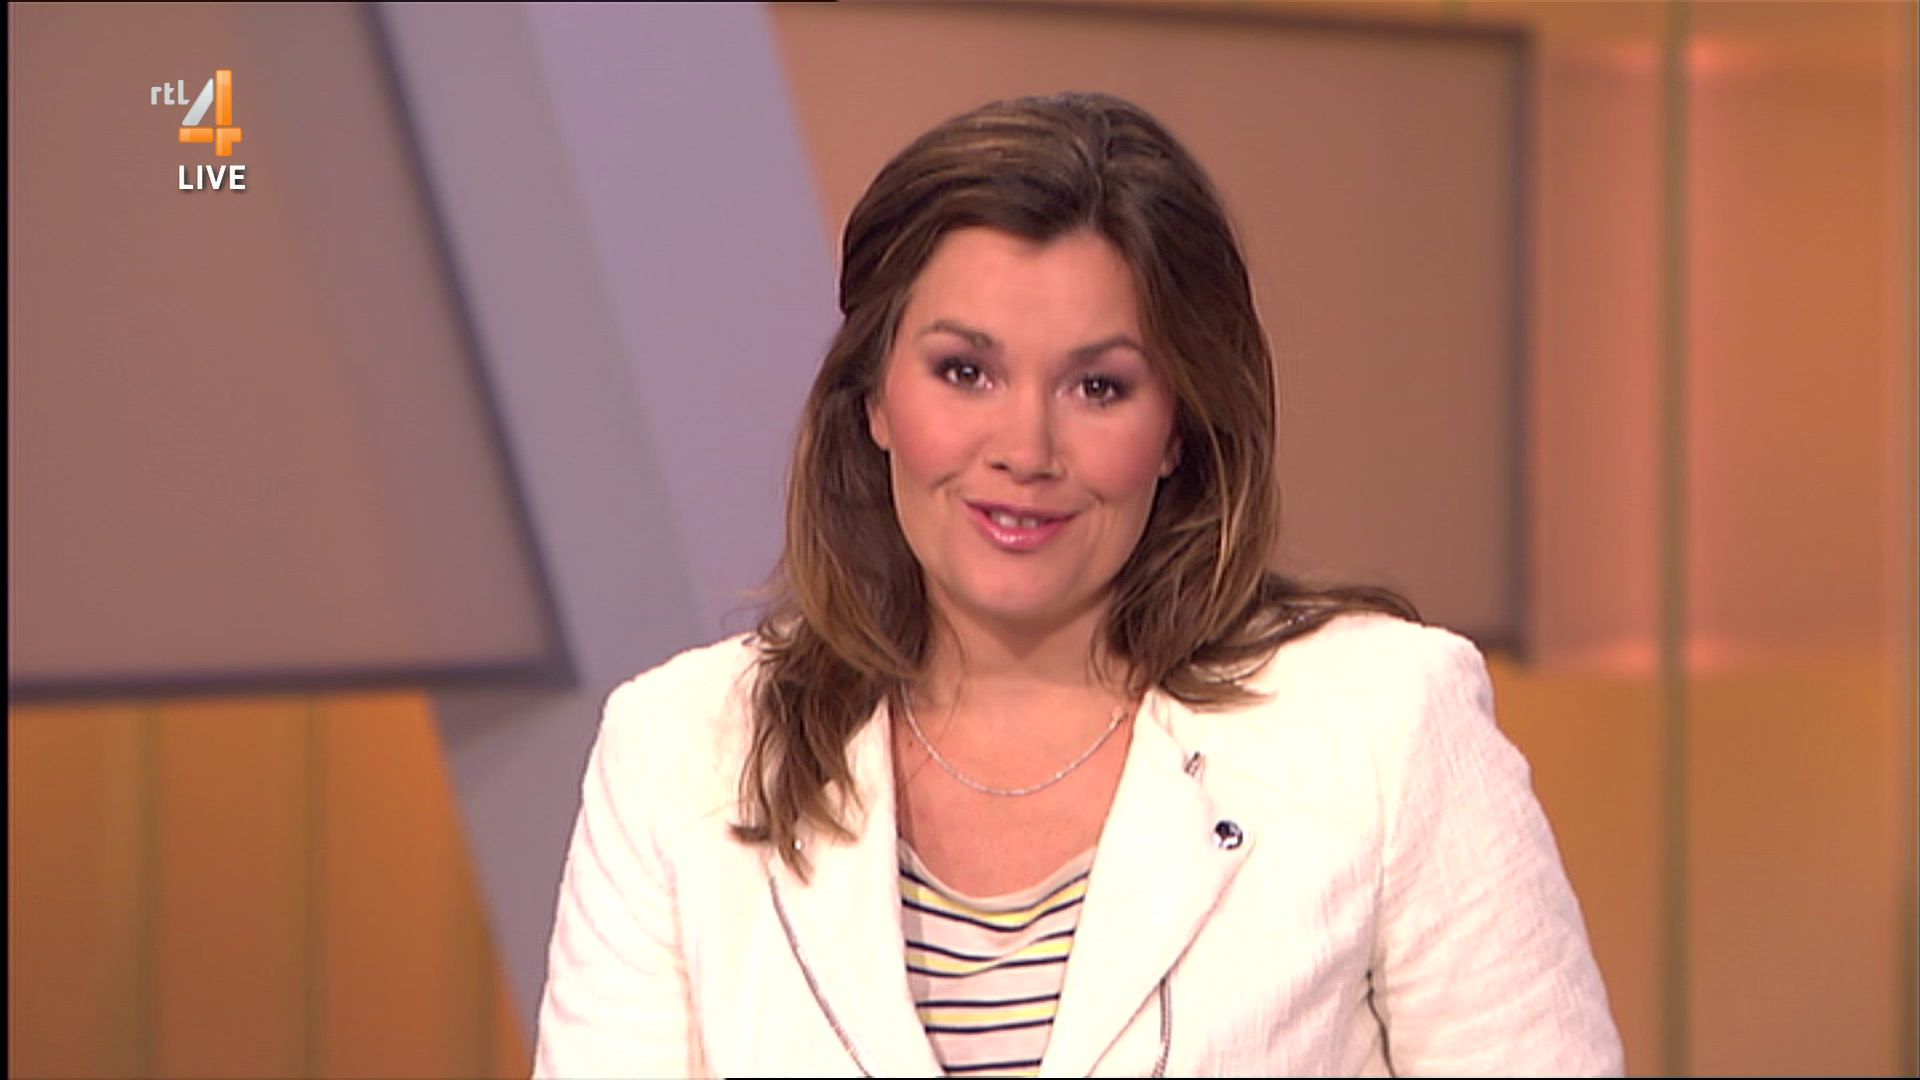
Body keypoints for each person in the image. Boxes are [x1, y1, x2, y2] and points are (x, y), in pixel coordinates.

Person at [533, 92, 1622, 1078]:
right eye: (965, 372)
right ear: (874, 401)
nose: (1026, 448)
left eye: (1098, 387)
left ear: (1178, 428)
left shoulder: (1383, 726)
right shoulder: (678, 753)